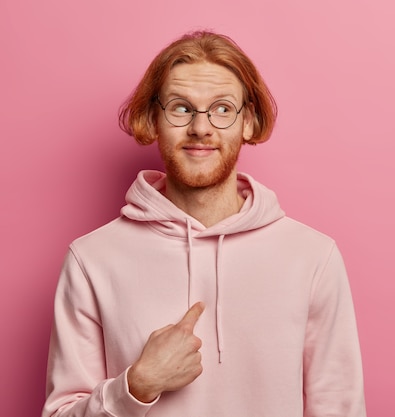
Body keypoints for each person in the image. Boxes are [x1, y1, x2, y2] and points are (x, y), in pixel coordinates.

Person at [42, 30, 366, 417]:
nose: (201, 127)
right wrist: (137, 386)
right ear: (152, 119)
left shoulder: (313, 257)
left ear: (248, 121)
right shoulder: (91, 259)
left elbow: (340, 409)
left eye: (223, 109)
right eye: (181, 108)